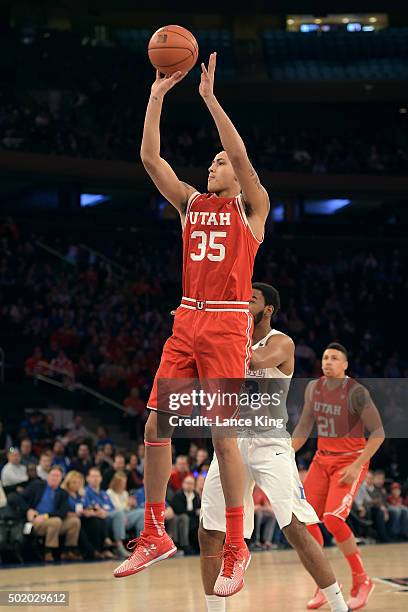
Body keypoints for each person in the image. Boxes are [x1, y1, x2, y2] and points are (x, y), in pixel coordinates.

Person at [114, 52, 269, 599]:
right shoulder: (189, 203)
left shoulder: (253, 207)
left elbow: (244, 157)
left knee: (222, 437)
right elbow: (150, 158)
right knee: (155, 426)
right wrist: (158, 94)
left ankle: (236, 545)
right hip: (186, 318)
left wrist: (208, 99)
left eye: (219, 161)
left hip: (228, 326)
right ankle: (153, 531)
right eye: (211, 161)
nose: (214, 165)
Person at [199, 284, 351, 612]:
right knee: (208, 531)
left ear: (267, 310)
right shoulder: (232, 338)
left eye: (250, 300)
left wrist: (218, 327)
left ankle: (340, 607)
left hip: (270, 443)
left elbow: (253, 359)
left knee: (294, 527)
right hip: (231, 441)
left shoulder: (281, 342)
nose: (242, 303)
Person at [292, 342, 385, 610]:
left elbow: (378, 433)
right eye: (325, 357)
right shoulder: (314, 388)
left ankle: (362, 579)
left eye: (334, 358)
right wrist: (286, 451)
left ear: (345, 365)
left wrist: (357, 465)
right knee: (303, 520)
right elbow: (304, 427)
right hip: (322, 461)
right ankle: (325, 584)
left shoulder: (356, 392)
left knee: (332, 519)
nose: (328, 362)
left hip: (349, 461)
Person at [19, 466, 81, 561]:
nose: (54, 478)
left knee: (74, 521)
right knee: (56, 521)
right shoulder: (37, 486)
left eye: (57, 476)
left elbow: (63, 512)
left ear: (61, 479)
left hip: (51, 521)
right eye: (52, 475)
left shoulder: (63, 493)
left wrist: (46, 516)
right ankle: (48, 552)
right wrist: (28, 510)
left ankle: (67, 551)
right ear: (48, 476)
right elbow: (19, 499)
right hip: (35, 521)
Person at [61, 470, 113, 560]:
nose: (76, 485)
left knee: (97, 520)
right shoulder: (64, 494)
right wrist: (79, 514)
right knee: (84, 525)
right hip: (71, 518)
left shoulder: (80, 494)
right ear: (68, 482)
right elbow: (63, 511)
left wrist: (91, 512)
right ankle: (92, 551)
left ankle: (101, 547)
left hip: (82, 517)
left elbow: (87, 507)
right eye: (74, 482)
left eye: (78, 482)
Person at [84, 467, 128, 559]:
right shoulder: (85, 492)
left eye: (97, 476)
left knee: (120, 513)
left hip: (108, 516)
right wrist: (98, 512)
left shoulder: (104, 493)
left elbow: (112, 508)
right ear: (87, 478)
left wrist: (105, 512)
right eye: (93, 476)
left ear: (101, 478)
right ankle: (119, 545)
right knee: (119, 513)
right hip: (96, 519)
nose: (95, 478)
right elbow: (87, 508)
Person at [168, 474, 201, 555]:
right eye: (187, 483)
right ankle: (184, 545)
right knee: (185, 518)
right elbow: (179, 510)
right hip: (179, 517)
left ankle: (198, 547)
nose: (189, 485)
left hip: (193, 519)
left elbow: (199, 508)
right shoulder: (178, 495)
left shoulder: (196, 496)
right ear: (183, 484)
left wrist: (196, 512)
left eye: (191, 484)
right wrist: (194, 512)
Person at [106, 472, 144, 539]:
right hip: (116, 516)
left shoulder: (125, 493)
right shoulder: (110, 493)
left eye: (125, 482)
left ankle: (141, 539)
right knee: (120, 514)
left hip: (126, 515)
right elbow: (116, 508)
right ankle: (119, 543)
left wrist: (132, 505)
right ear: (117, 483)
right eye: (122, 483)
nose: (124, 485)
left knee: (143, 512)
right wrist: (127, 503)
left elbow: (127, 508)